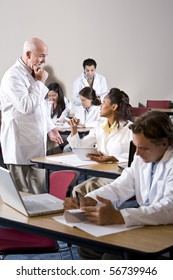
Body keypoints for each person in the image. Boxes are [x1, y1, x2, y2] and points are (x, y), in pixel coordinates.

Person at [64, 111, 173, 259]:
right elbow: (119, 187)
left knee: (112, 258)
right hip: (147, 222)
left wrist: (120, 217)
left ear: (165, 143)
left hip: (167, 229)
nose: (138, 154)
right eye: (136, 146)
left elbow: (169, 208)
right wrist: (90, 200)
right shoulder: (143, 157)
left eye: (144, 148)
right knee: (88, 248)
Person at [0, 37, 63, 194]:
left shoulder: (34, 74)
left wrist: (50, 127)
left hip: (36, 144)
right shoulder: (12, 76)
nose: (44, 60)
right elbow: (26, 106)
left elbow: (39, 107)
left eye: (46, 56)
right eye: (41, 55)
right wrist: (40, 83)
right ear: (28, 54)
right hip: (19, 146)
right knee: (22, 197)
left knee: (39, 194)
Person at [67, 88, 133, 196]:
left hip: (121, 177)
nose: (100, 106)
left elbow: (136, 158)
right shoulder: (100, 126)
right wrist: (74, 128)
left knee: (88, 190)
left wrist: (115, 159)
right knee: (77, 191)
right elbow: (78, 146)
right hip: (103, 174)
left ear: (114, 107)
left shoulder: (130, 129)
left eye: (103, 102)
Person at [63, 86, 102, 153]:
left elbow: (99, 123)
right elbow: (77, 121)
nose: (82, 102)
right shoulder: (80, 109)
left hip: (91, 137)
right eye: (81, 100)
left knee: (67, 148)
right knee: (67, 147)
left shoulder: (99, 109)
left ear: (91, 99)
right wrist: (73, 123)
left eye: (84, 100)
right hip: (81, 135)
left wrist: (84, 125)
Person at [45, 82, 72, 155]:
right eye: (49, 95)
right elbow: (46, 117)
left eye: (54, 95)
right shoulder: (46, 102)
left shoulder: (65, 101)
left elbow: (63, 118)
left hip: (62, 130)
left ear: (59, 94)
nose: (51, 98)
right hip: (50, 129)